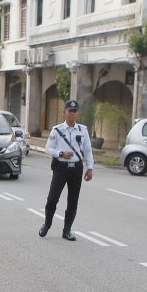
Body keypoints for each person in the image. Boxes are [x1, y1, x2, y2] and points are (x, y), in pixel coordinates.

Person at [40, 99, 94, 240]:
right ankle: (47, 224)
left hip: (76, 168)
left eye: (74, 111)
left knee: (73, 200)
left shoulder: (83, 130)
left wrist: (90, 168)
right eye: (70, 111)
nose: (72, 114)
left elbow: (88, 150)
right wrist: (61, 154)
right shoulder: (57, 130)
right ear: (64, 112)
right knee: (52, 199)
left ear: (77, 113)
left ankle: (67, 230)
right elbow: (48, 148)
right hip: (61, 168)